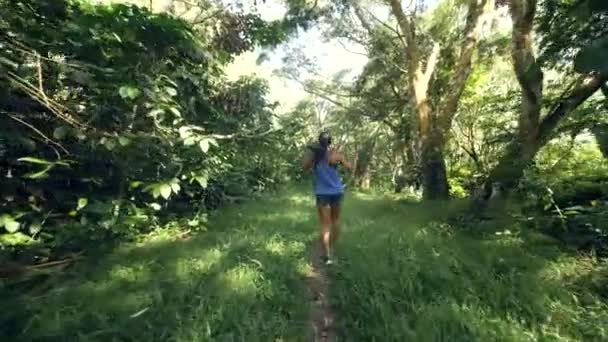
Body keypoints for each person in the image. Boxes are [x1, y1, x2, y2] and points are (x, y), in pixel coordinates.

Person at [302, 131, 352, 265]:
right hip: (337, 192)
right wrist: (341, 160)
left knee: (325, 225)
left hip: (322, 193)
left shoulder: (316, 156)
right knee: (335, 221)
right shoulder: (335, 155)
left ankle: (327, 255)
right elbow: (349, 167)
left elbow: (305, 168)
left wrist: (312, 158)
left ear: (319, 142)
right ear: (330, 142)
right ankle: (332, 247)